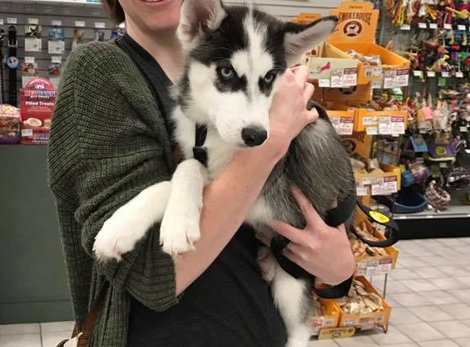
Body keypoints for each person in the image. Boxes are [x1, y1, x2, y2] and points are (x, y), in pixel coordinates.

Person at [47, 0, 356, 346]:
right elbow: (150, 274)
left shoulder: (273, 70)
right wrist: (273, 139)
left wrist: (340, 268)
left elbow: (330, 211)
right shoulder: (101, 72)